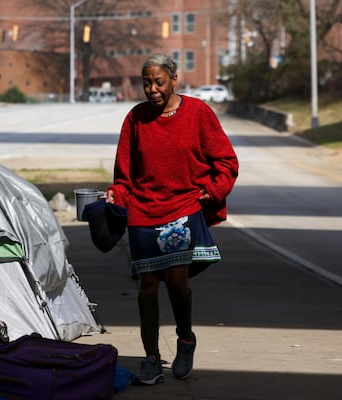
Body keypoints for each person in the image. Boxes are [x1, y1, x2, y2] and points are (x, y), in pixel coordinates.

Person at [105, 53, 238, 385]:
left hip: (182, 209)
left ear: (174, 80)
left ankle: (185, 339)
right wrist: (115, 197)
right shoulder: (135, 119)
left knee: (177, 282)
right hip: (143, 211)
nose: (152, 89)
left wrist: (214, 189)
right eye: (146, 82)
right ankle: (150, 358)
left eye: (158, 82)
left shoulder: (198, 114)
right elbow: (124, 176)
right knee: (147, 287)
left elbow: (226, 160)